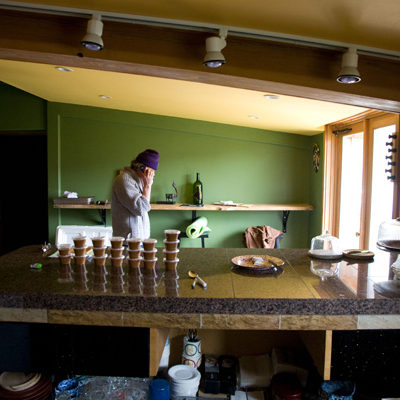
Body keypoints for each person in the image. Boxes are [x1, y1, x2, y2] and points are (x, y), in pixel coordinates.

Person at [111, 149, 160, 240]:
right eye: (150, 172)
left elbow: (144, 207)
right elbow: (141, 209)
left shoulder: (138, 181)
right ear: (141, 168)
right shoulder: (125, 180)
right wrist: (148, 186)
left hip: (138, 239)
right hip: (128, 240)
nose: (152, 175)